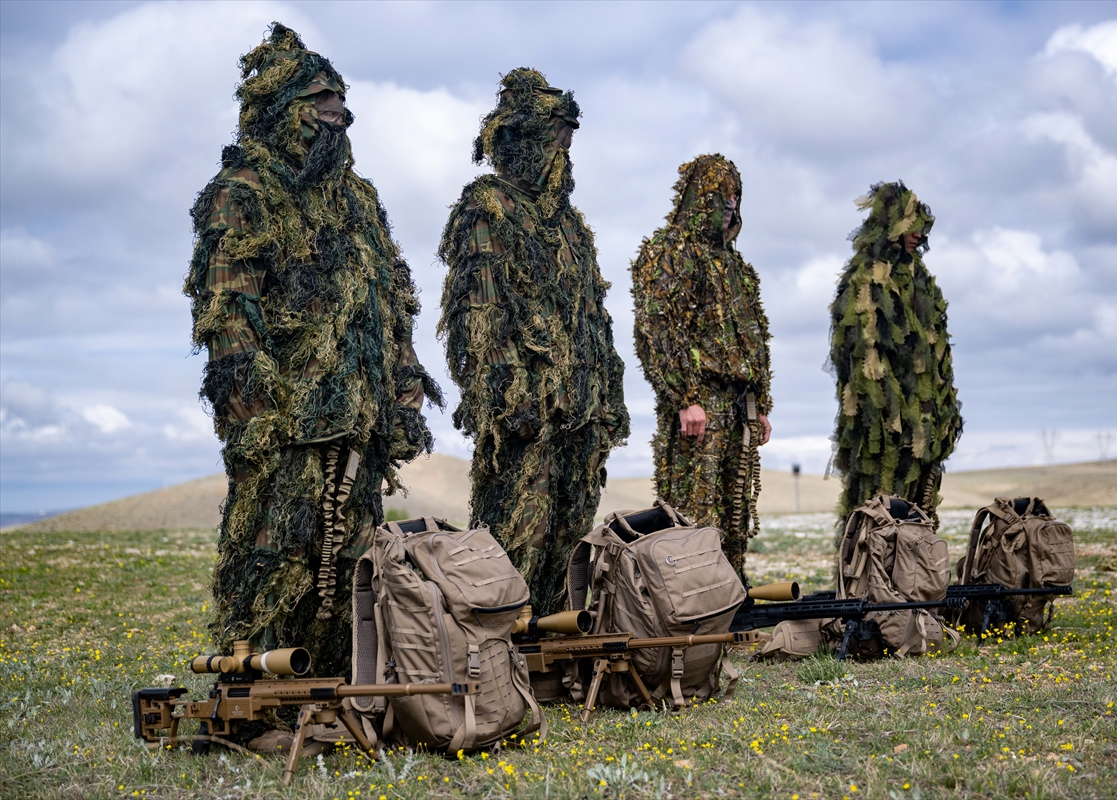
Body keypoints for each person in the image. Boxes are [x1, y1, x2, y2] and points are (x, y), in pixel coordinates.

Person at [183, 23, 440, 681]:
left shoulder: (358, 201)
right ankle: (255, 696)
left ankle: (339, 691)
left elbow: (395, 299)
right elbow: (228, 315)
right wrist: (254, 420)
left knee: (353, 562)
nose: (340, 114)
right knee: (273, 562)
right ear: (280, 106)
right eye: (321, 100)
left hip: (358, 422)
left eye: (342, 102)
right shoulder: (244, 191)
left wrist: (406, 395)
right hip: (286, 427)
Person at [437, 68, 629, 615]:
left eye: (569, 144)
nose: (563, 155)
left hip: (580, 409)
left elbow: (595, 317)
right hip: (527, 412)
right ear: (523, 142)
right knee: (517, 536)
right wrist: (509, 396)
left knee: (570, 538)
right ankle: (497, 655)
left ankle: (550, 648)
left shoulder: (571, 226)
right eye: (554, 142)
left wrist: (607, 398)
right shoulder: (488, 208)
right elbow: (481, 312)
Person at [630, 154, 773, 582]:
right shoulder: (671, 251)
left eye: (734, 196)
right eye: (719, 195)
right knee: (694, 509)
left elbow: (753, 337)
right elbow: (657, 327)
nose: (729, 204)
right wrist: (684, 397)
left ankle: (728, 597)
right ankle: (690, 602)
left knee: (735, 509)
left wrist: (760, 403)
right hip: (702, 402)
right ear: (698, 196)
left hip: (740, 404)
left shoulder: (736, 267)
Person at [829, 181, 962, 532]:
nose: (918, 234)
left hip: (925, 435)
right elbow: (862, 359)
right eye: (909, 225)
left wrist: (944, 416)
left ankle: (913, 585)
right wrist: (893, 421)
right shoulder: (866, 280)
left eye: (921, 227)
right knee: (877, 521)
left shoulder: (922, 283)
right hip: (885, 440)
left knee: (918, 527)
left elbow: (936, 356)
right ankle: (870, 586)